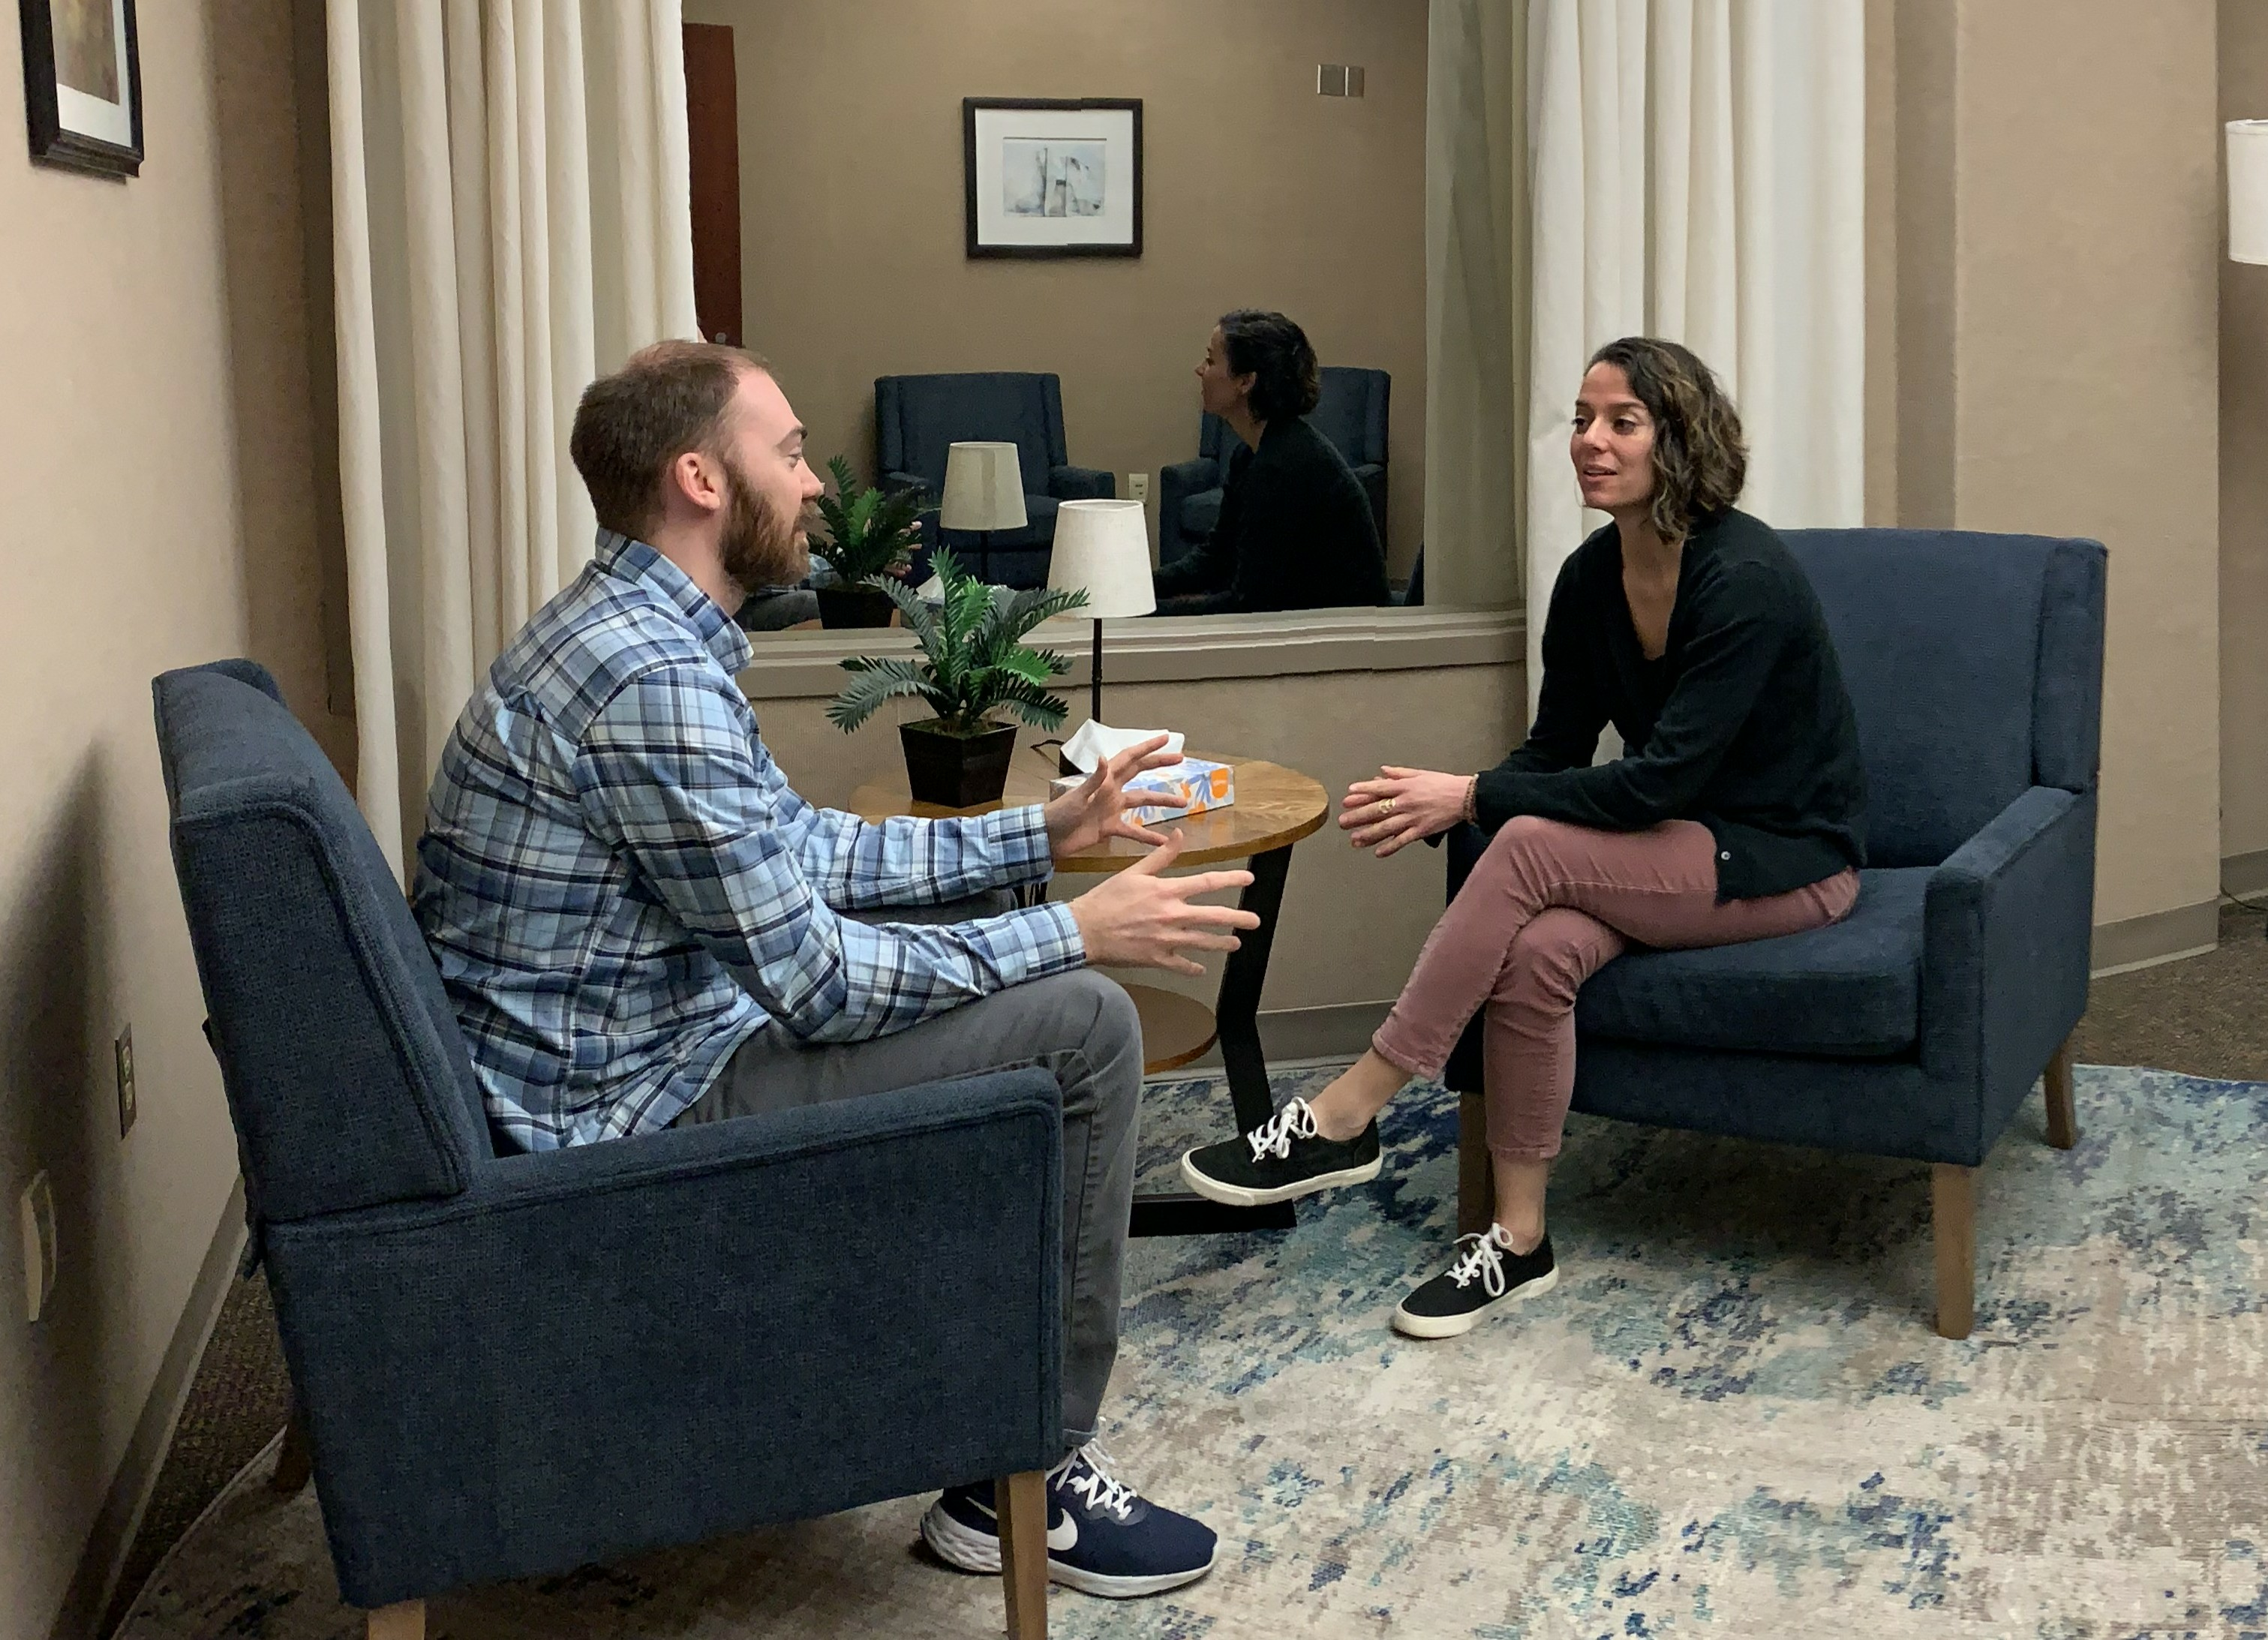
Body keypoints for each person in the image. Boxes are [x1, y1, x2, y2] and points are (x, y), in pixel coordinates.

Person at [412, 340, 1261, 1599]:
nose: (817, 485)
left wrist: (1042, 833)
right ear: (701, 477)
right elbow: (817, 984)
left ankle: (996, 1419)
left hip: (644, 1057)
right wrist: (1076, 929)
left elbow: (799, 847)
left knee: (1045, 983)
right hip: (620, 1125)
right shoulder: (647, 677)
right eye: (793, 452)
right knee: (1082, 1021)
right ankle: (1024, 1474)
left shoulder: (635, 634)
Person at [1179, 336, 1868, 1339]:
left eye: (1620, 422)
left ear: (1679, 441)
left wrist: (1467, 796)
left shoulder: (1744, 577)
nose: (1589, 441)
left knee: (1524, 845)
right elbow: (1555, 748)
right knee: (1538, 952)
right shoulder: (1591, 576)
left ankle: (1348, 1108)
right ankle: (1516, 1238)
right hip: (1671, 848)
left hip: (1782, 857)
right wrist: (1482, 793)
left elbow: (1659, 779)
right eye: (1582, 419)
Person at [1152, 310, 1391, 614]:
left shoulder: (1283, 466)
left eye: (1211, 361)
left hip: (1345, 640)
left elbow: (1248, 605)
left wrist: (1146, 613)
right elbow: (1214, 558)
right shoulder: (1252, 454)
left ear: (1246, 381)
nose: (1200, 370)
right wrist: (1131, 590)